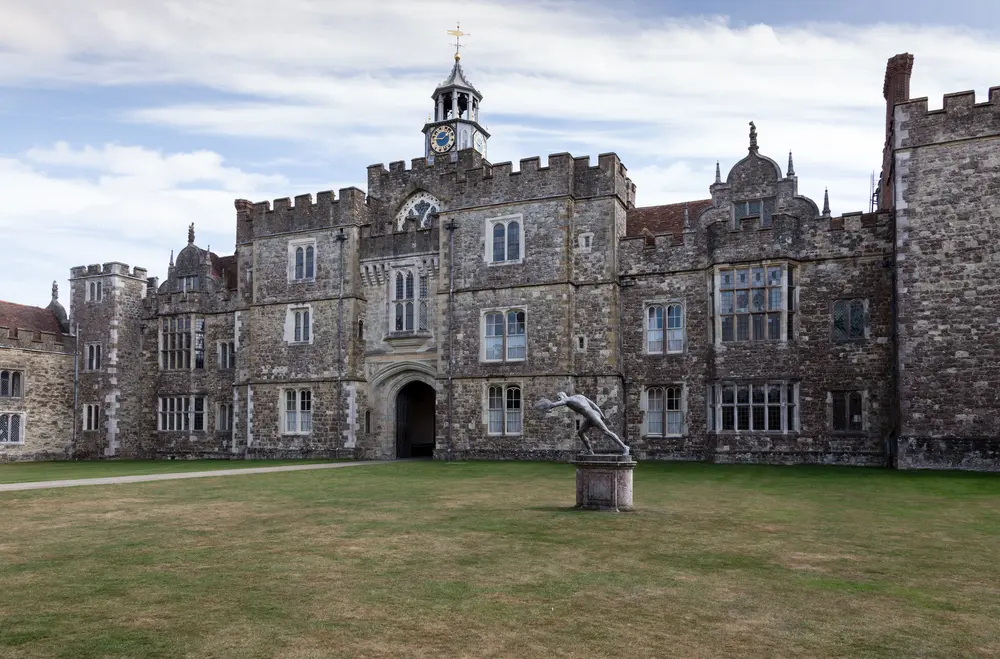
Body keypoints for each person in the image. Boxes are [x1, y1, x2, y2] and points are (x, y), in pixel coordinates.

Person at [540, 392, 629, 455]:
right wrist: (601, 414)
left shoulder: (566, 400)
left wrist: (548, 406)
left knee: (606, 432)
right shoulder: (579, 396)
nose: (558, 399)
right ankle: (590, 451)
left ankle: (625, 447)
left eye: (559, 397)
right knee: (580, 433)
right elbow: (593, 405)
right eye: (557, 398)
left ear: (563, 395)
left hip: (592, 416)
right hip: (593, 415)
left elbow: (556, 404)